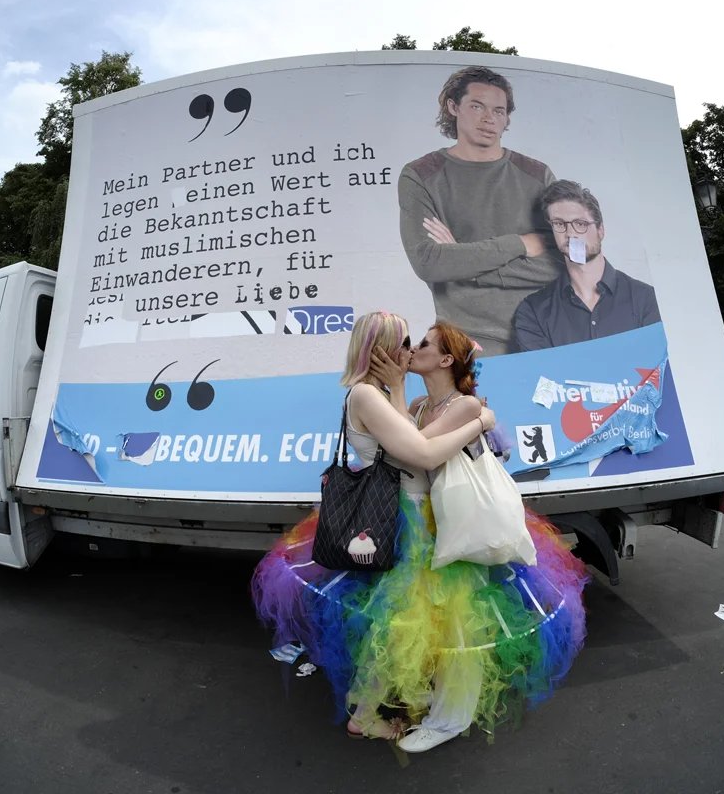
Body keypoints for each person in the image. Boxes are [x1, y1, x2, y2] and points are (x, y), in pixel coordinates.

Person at [251, 312, 587, 752]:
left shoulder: (403, 399)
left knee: (437, 623)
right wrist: (481, 421)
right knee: (411, 621)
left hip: (430, 519)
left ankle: (427, 713)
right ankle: (383, 711)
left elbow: (419, 447)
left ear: (447, 359)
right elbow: (421, 454)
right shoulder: (378, 397)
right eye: (405, 341)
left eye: (420, 343)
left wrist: (433, 403)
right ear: (382, 349)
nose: (411, 349)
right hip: (407, 520)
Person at [398, 66, 559, 356]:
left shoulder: (537, 175)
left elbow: (563, 263)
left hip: (543, 337)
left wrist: (464, 261)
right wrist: (520, 243)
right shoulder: (421, 174)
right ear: (453, 106)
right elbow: (429, 262)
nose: (489, 119)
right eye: (476, 106)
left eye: (499, 111)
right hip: (464, 346)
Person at [511, 181, 660, 352]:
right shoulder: (533, 310)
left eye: (580, 223)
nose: (570, 233)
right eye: (559, 224)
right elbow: (542, 375)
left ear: (600, 230)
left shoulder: (646, 298)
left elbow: (656, 368)